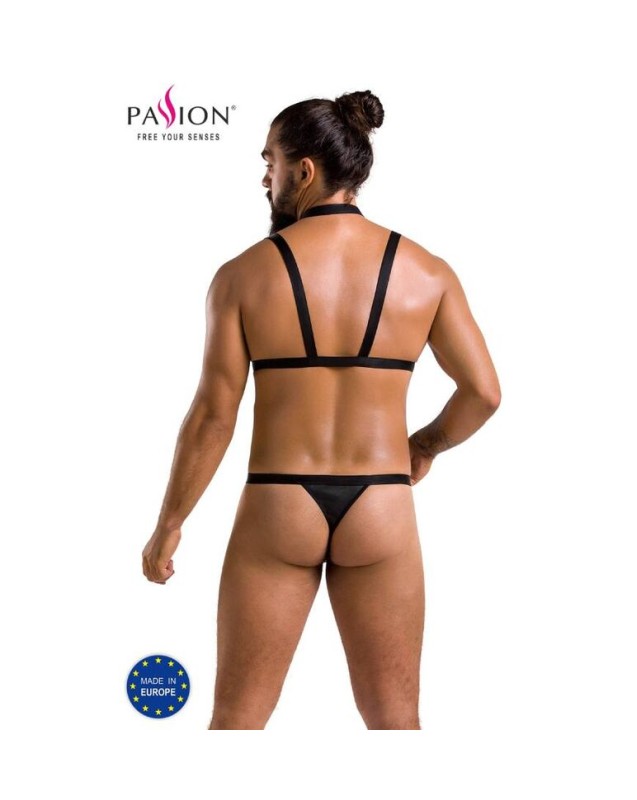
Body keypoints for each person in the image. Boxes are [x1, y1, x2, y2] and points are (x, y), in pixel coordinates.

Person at [142, 90, 501, 730]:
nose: (266, 178)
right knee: (396, 722)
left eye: (271, 162)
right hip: (382, 501)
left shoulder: (242, 276)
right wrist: (424, 445)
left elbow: (213, 415)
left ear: (304, 171)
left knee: (237, 721)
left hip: (279, 501)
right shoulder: (427, 272)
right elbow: (484, 393)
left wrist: (170, 523)